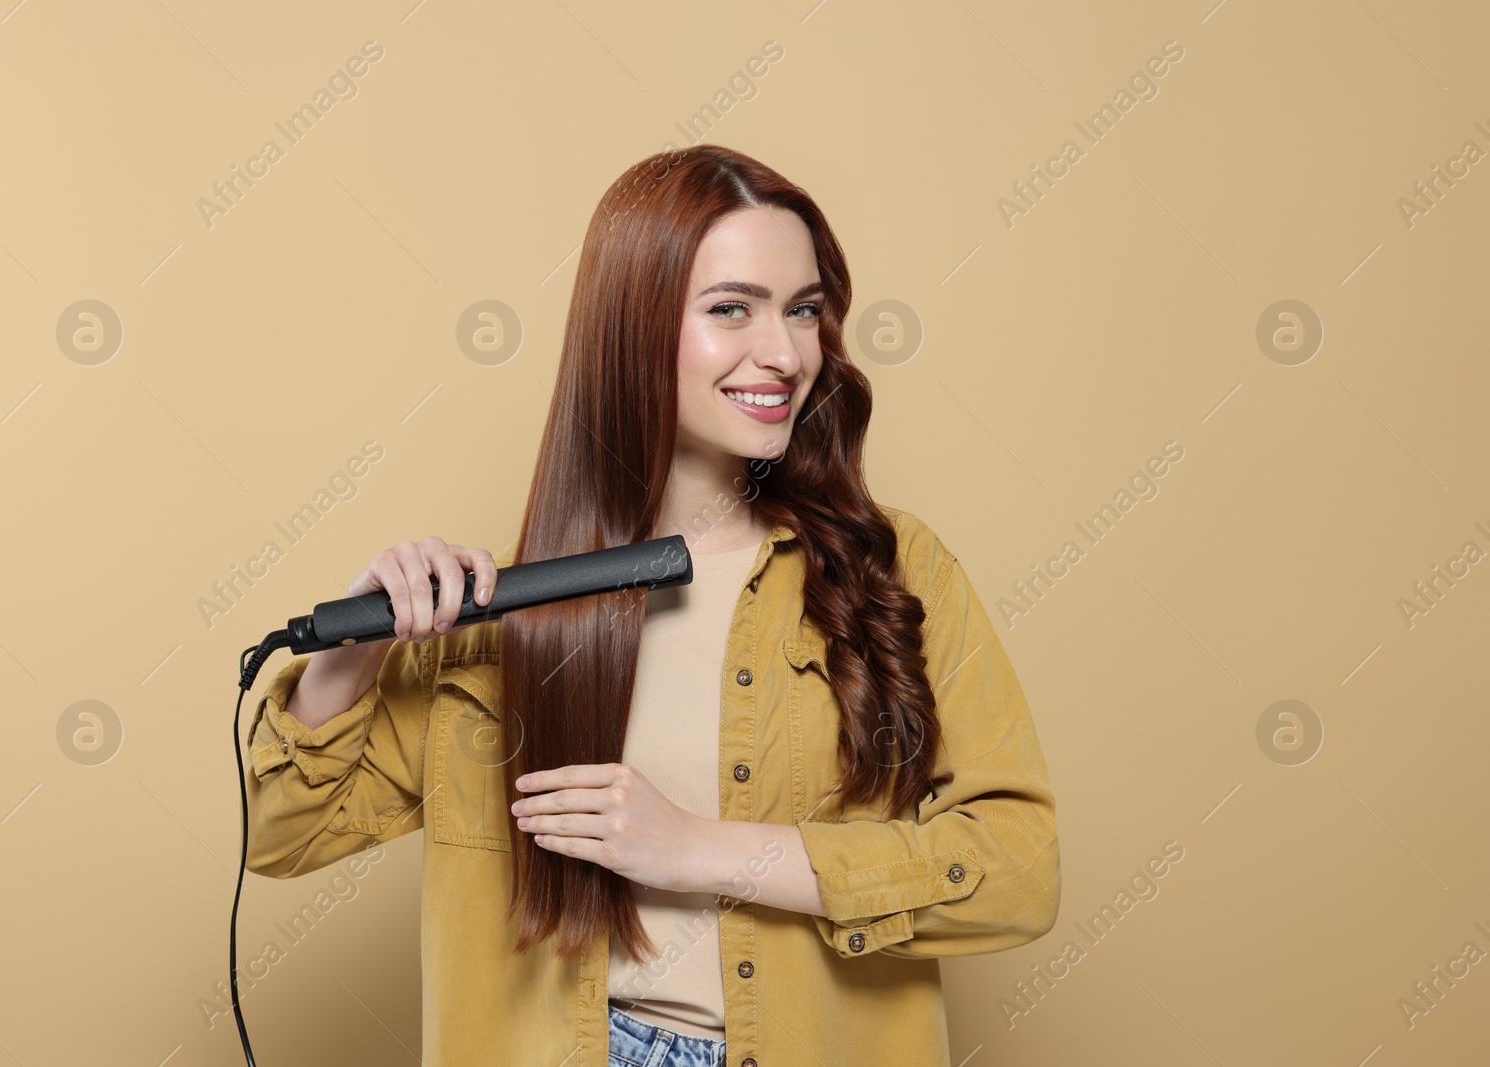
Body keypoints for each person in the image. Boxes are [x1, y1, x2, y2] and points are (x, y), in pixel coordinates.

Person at [244, 144, 1061, 1067]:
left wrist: (705, 851)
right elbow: (285, 835)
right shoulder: (500, 611)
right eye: (730, 310)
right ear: (631, 328)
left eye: (803, 311)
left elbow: (1017, 869)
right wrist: (358, 643)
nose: (785, 352)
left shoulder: (895, 571)